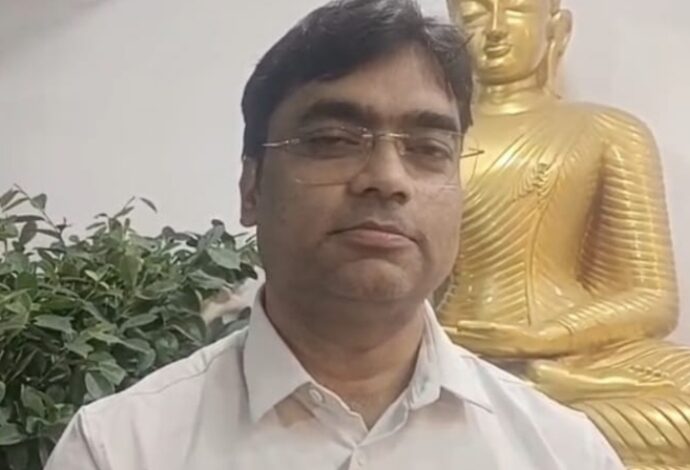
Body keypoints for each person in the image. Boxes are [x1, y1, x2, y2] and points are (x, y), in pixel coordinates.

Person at [45, 0, 624, 468]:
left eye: (428, 148)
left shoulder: (563, 452)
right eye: (333, 141)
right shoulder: (120, 449)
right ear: (252, 188)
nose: (388, 179)